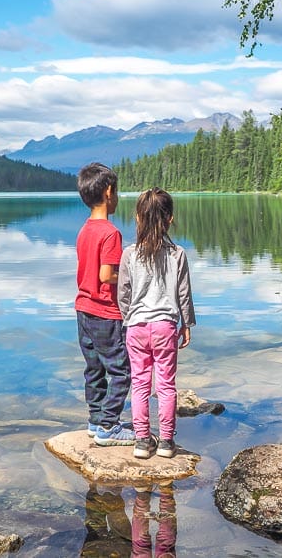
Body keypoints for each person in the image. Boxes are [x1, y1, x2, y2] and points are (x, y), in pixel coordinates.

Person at [118, 187, 195, 459]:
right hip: (165, 327)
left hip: (136, 327)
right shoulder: (177, 254)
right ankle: (165, 442)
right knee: (166, 385)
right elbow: (183, 294)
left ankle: (141, 441)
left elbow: (123, 294)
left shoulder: (129, 254)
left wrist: (128, 318)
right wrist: (186, 324)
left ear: (138, 218)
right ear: (170, 219)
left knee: (139, 384)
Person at [75, 162, 135, 446]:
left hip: (83, 309)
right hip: (105, 313)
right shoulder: (111, 233)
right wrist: (131, 275)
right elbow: (106, 275)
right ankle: (109, 427)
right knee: (122, 371)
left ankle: (96, 418)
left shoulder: (85, 229)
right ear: (109, 192)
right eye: (118, 191)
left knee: (94, 368)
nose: (118, 197)